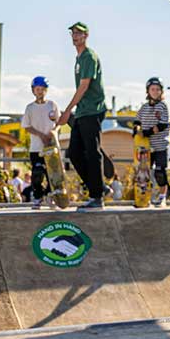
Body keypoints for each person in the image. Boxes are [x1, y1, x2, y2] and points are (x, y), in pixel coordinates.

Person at [54, 22, 107, 211]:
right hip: (83, 112)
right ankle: (99, 187)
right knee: (74, 154)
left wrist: (67, 111)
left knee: (92, 152)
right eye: (73, 33)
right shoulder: (78, 58)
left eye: (79, 33)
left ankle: (97, 196)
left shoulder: (89, 57)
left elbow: (84, 86)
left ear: (86, 35)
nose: (75, 36)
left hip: (93, 110)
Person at [21, 75, 60, 209]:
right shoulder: (30, 108)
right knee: (37, 173)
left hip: (51, 146)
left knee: (52, 174)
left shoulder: (52, 105)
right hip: (36, 147)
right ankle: (38, 197)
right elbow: (26, 126)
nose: (40, 91)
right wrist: (41, 135)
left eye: (42, 89)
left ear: (46, 90)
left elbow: (59, 122)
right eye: (37, 89)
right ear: (33, 90)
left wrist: (52, 132)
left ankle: (50, 196)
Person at [137, 77, 170, 206]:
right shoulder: (144, 107)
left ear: (161, 92)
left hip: (161, 145)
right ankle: (145, 197)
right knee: (144, 173)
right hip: (146, 146)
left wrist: (146, 132)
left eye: (158, 89)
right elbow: (137, 120)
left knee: (160, 172)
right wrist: (136, 130)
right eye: (153, 89)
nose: (155, 91)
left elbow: (162, 125)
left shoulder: (163, 106)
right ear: (148, 91)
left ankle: (162, 197)